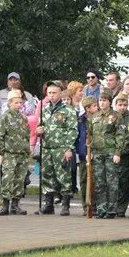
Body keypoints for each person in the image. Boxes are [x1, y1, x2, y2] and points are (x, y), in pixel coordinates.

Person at [36, 81, 78, 215]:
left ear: (60, 93)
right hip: (47, 147)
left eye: (54, 93)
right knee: (47, 175)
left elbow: (72, 130)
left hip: (61, 147)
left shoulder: (68, 110)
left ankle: (65, 204)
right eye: (49, 93)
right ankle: (49, 203)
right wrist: (39, 130)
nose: (52, 95)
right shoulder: (44, 109)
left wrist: (69, 148)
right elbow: (39, 127)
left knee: (64, 176)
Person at [0, 89, 31, 216]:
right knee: (8, 178)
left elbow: (26, 135)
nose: (19, 105)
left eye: (20, 103)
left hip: (22, 154)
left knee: (19, 179)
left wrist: (27, 151)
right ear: (10, 103)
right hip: (10, 153)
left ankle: (15, 205)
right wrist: (2, 152)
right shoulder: (6, 116)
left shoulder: (23, 118)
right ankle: (5, 204)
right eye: (16, 103)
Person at [89, 90, 123, 218]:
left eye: (104, 100)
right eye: (100, 100)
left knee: (112, 181)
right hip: (97, 153)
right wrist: (90, 151)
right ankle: (101, 208)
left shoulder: (116, 116)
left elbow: (120, 135)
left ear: (109, 102)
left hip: (110, 152)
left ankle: (112, 209)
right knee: (99, 182)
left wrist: (117, 152)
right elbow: (90, 135)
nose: (102, 103)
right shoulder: (94, 117)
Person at [113, 92, 129, 216]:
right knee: (114, 182)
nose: (122, 107)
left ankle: (121, 209)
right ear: (115, 105)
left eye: (125, 105)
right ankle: (113, 206)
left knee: (124, 183)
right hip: (113, 154)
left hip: (126, 154)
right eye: (120, 104)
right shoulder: (112, 117)